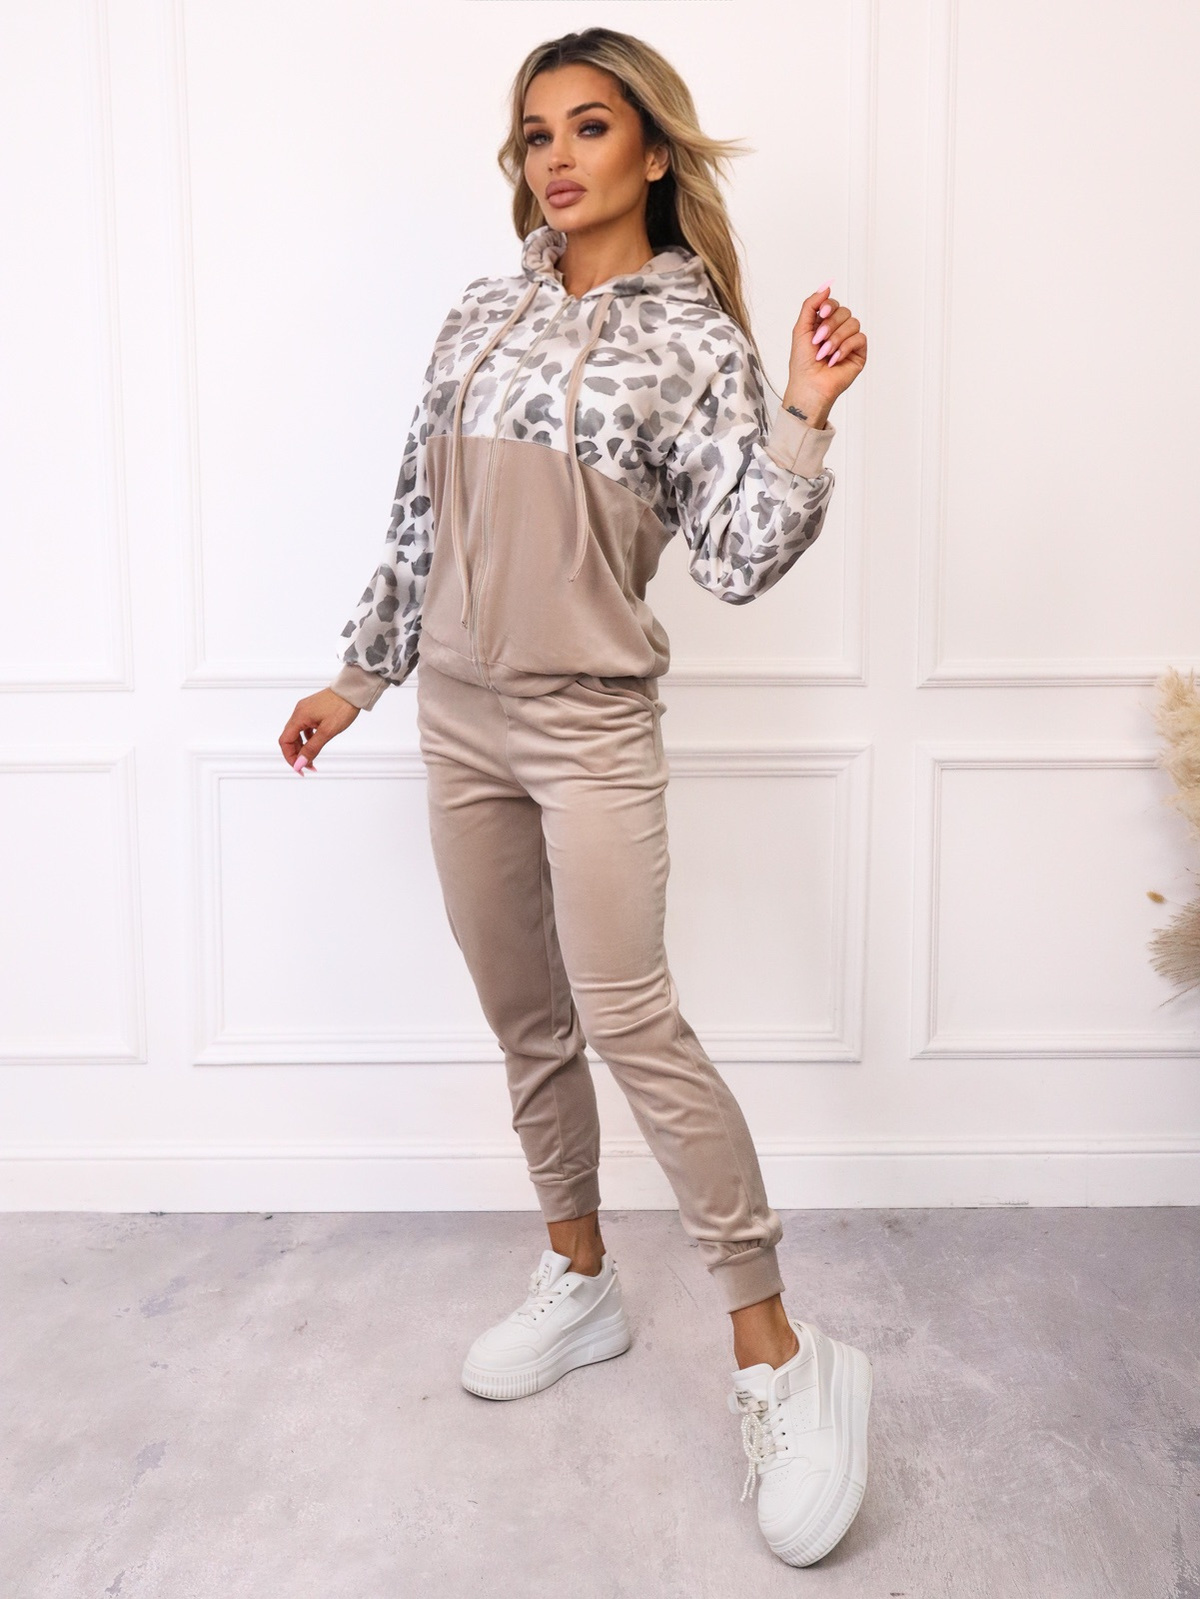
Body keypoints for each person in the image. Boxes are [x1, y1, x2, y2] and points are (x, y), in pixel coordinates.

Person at [279, 25, 871, 1568]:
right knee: (525, 1019)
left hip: (589, 723)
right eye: (536, 132)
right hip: (459, 718)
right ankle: (582, 1278)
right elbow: (415, 516)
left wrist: (805, 413)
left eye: (590, 127)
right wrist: (360, 673)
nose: (556, 156)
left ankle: (779, 1356)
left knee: (632, 1024)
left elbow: (735, 558)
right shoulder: (479, 312)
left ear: (653, 151)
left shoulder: (695, 340)